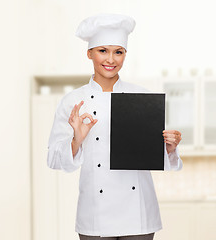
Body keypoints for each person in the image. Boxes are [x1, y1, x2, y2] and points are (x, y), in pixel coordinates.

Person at [47, 13, 183, 240]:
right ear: (89, 53)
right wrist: (76, 140)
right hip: (95, 214)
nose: (111, 59)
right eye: (103, 50)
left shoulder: (143, 97)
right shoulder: (73, 101)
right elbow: (53, 159)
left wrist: (170, 147)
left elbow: (153, 156)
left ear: (125, 55)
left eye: (118, 52)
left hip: (137, 213)